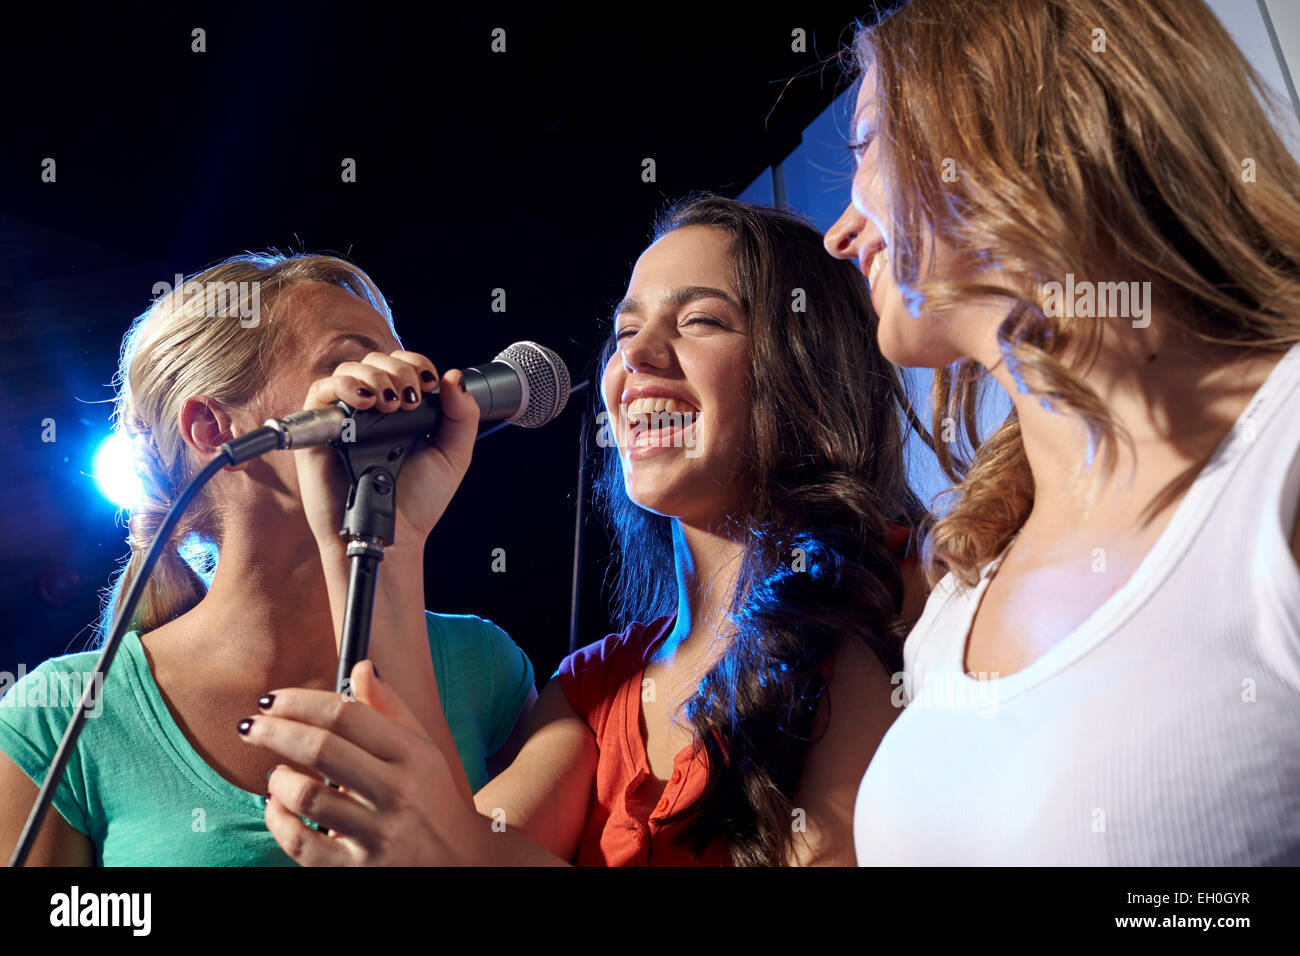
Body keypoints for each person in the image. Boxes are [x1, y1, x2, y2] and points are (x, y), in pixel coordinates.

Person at [239, 194, 931, 865]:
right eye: (626, 332)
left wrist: (449, 843)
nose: (637, 358)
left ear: (808, 367)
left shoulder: (894, 589)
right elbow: (435, 842)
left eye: (700, 321)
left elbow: (452, 846)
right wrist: (380, 542)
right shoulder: (593, 690)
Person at [824, 0, 1300, 864]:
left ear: (989, 122)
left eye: (864, 146)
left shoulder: (1284, 454)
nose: (838, 233)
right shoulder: (960, 598)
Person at [0, 253, 537, 866]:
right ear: (212, 427)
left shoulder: (484, 669)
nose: (406, 383)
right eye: (351, 364)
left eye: (401, 361)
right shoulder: (63, 714)